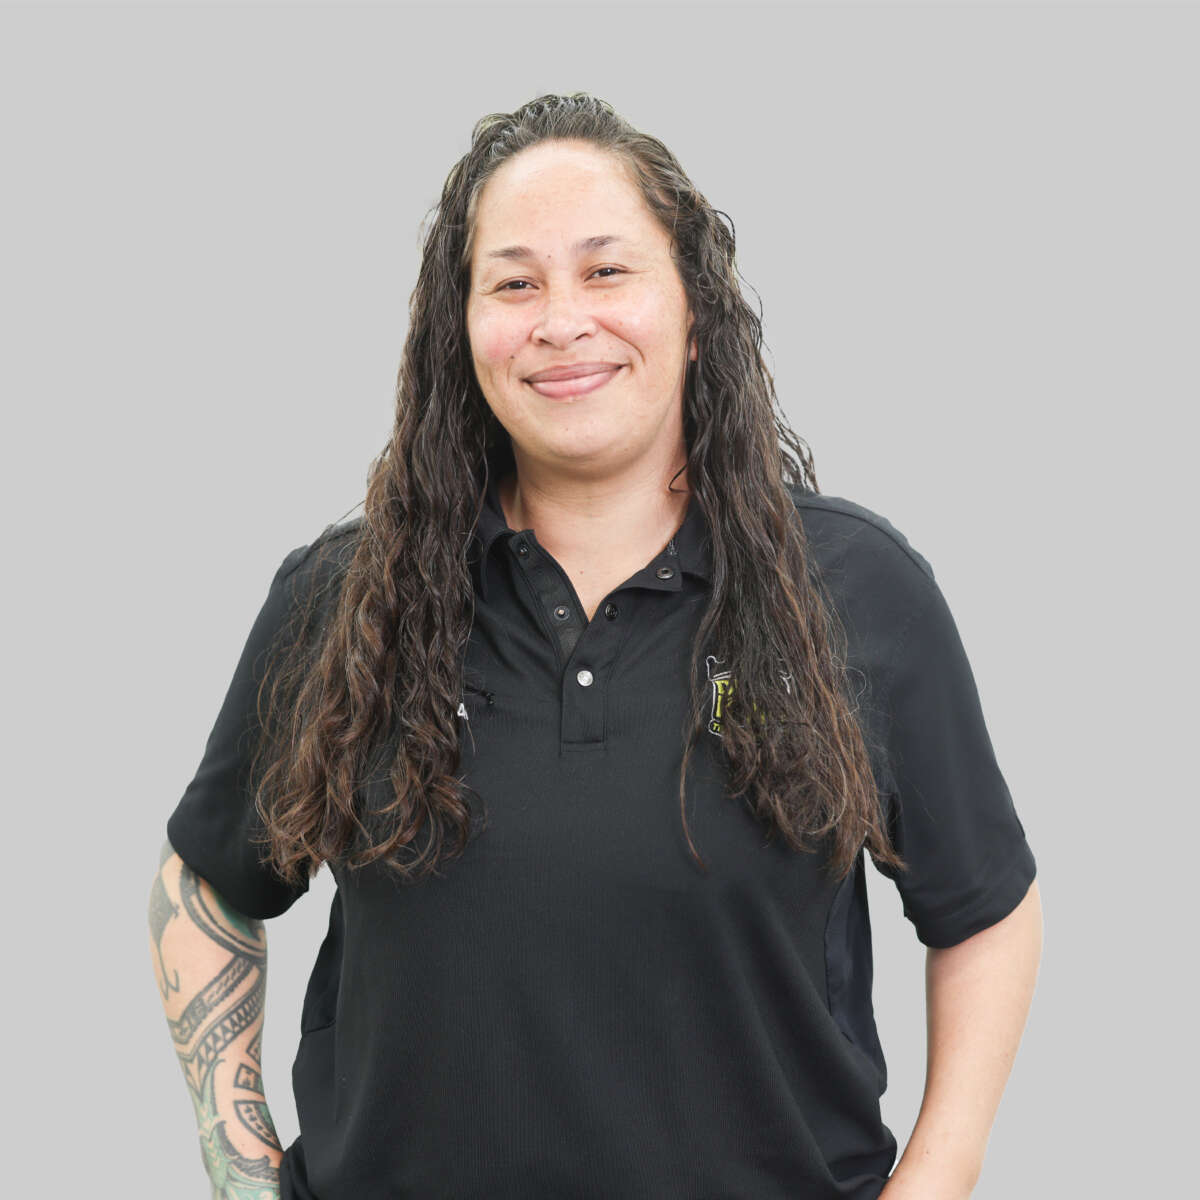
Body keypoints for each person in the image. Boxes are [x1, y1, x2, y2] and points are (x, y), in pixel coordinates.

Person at [148, 92, 1042, 1200]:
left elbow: (987, 912)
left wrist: (938, 1177)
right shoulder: (346, 599)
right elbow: (209, 883)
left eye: (607, 271)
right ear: (461, 328)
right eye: (515, 282)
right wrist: (238, 1172)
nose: (561, 321)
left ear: (694, 309)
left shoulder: (855, 592)